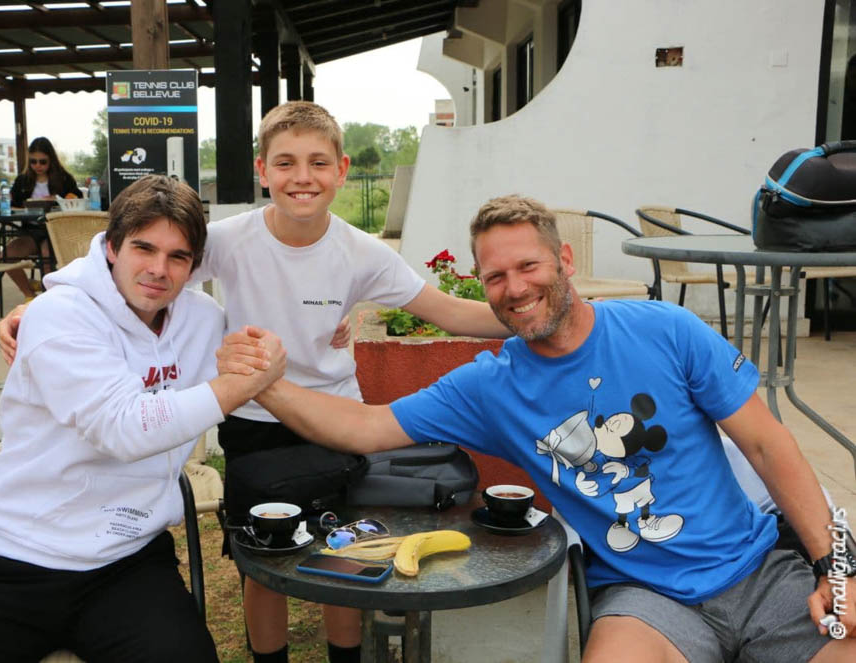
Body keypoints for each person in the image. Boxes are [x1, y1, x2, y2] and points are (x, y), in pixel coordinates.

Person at [222, 195, 856, 663]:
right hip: (644, 599)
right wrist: (265, 385)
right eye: (495, 277)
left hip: (758, 575)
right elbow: (365, 427)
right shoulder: (490, 386)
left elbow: (771, 447)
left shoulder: (665, 329)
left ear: (565, 259)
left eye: (528, 267)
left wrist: (838, 564)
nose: (515, 288)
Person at [0, 101, 509, 663]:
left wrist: (536, 312)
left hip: (334, 418)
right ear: (263, 171)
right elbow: (136, 267)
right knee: (263, 562)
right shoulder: (227, 240)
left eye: (318, 162)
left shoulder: (362, 253)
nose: (302, 177)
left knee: (344, 548)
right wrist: (42, 306)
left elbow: (451, 313)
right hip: (253, 420)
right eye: (285, 163)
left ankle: (345, 656)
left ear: (341, 170)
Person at [0, 175, 286, 663]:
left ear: (194, 265)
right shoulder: (58, 315)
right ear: (111, 246)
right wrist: (232, 387)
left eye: (178, 257)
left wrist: (326, 329)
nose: (159, 270)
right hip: (18, 561)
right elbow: (123, 428)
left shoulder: (202, 319)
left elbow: (279, 323)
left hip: (129, 564)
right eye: (144, 248)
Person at [6, 136, 84, 299]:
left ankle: (51, 300)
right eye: (33, 161)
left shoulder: (64, 178)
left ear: (51, 160)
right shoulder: (23, 180)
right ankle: (29, 294)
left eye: (43, 161)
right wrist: (23, 205)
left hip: (57, 231)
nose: (38, 166)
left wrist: (57, 199)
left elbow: (77, 199)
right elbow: (13, 204)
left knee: (46, 254)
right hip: (31, 231)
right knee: (7, 255)